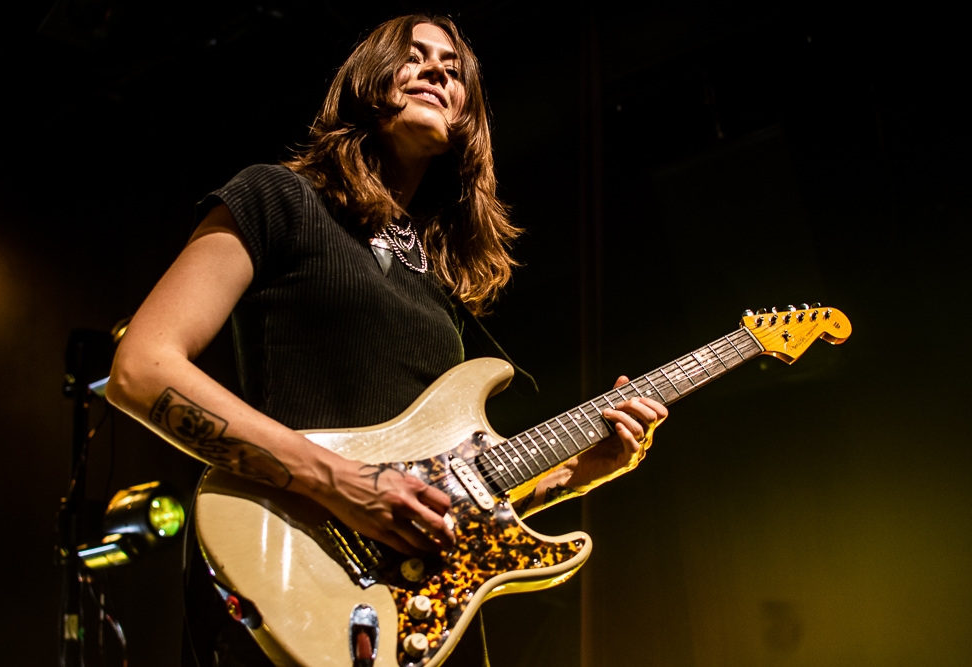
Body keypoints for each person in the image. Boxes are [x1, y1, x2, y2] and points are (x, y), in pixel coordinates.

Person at [106, 14, 667, 667]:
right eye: (415, 57)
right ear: (370, 82)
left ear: (466, 116)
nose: (437, 70)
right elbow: (142, 367)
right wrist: (344, 482)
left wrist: (579, 473)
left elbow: (446, 493)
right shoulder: (276, 197)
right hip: (292, 583)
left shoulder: (440, 282)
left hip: (426, 624)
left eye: (454, 70)